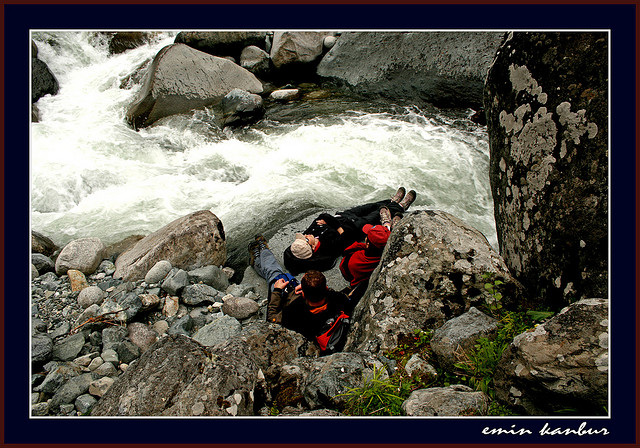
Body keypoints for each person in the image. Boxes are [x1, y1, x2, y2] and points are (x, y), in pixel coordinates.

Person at [248, 236, 352, 352]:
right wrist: (310, 288)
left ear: (303, 295)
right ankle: (258, 256)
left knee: (274, 275)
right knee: (275, 273)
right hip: (305, 295)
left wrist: (277, 291)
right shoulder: (338, 300)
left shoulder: (294, 313)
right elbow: (333, 294)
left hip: (285, 298)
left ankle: (260, 255)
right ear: (325, 288)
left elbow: (272, 320)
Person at [283, 187, 416, 275]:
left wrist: (336, 226)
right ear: (312, 247)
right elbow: (346, 235)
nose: (305, 235)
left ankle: (392, 201)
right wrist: (333, 224)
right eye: (305, 239)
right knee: (376, 213)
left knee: (370, 206)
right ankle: (400, 206)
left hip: (345, 216)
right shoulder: (329, 248)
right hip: (356, 225)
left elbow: (323, 216)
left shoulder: (311, 233)